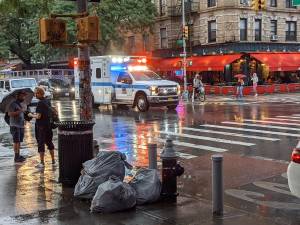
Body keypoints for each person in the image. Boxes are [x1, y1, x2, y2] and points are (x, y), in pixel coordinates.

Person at [28, 87, 55, 168]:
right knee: (49, 142)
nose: (35, 95)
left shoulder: (40, 103)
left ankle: (42, 163)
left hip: (41, 126)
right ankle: (53, 160)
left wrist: (31, 115)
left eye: (36, 93)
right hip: (48, 125)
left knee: (41, 143)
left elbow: (39, 116)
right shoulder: (47, 101)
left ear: (40, 93)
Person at [8, 90, 27, 163]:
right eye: (22, 96)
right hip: (15, 126)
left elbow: (21, 113)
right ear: (18, 96)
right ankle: (16, 157)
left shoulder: (20, 104)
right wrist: (20, 111)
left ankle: (18, 155)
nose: (24, 97)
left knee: (19, 142)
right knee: (16, 142)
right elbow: (10, 114)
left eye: (24, 96)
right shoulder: (13, 104)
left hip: (20, 125)